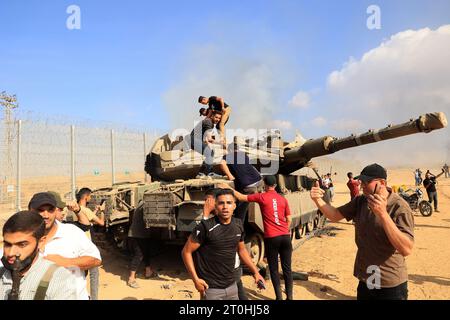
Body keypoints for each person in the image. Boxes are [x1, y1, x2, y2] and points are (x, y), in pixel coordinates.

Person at [310, 163, 414, 300]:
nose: (362, 185)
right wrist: (317, 200)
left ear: (382, 183)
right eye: (361, 181)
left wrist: (383, 214)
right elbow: (335, 215)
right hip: (367, 279)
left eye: (367, 182)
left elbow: (406, 248)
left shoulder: (399, 206)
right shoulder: (361, 201)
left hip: (390, 284)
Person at [181, 189, 265, 300]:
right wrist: (195, 279)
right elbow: (186, 252)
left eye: (229, 203)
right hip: (211, 289)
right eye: (221, 203)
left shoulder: (238, 225)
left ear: (234, 206)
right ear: (216, 206)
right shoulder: (205, 227)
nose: (225, 207)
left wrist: (255, 272)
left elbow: (242, 250)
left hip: (232, 287)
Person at [222, 175, 293, 300]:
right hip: (285, 237)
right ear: (275, 185)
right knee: (287, 269)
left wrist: (228, 188)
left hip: (272, 238)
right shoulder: (283, 199)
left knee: (274, 269)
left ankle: (279, 298)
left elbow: (241, 197)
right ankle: (290, 298)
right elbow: (289, 219)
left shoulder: (262, 197)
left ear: (264, 184)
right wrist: (284, 230)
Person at [28, 192, 102, 300]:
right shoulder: (21, 238)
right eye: (40, 210)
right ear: (29, 211)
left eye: (50, 210)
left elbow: (96, 260)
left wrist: (66, 262)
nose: (46, 215)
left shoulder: (71, 232)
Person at [1, 211, 78, 300]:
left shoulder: (59, 278)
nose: (11, 253)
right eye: (7, 244)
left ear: (41, 242)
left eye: (22, 245)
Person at [201, 189, 248, 300]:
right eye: (205, 201)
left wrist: (205, 214)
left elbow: (204, 241)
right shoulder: (212, 222)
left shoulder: (226, 221)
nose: (206, 203)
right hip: (221, 270)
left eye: (208, 200)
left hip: (230, 269)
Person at [127, 204, 157, 288]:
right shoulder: (146, 205)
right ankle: (131, 278)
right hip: (137, 234)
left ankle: (148, 272)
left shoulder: (140, 204)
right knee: (138, 255)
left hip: (142, 234)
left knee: (146, 253)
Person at [185, 111, 223, 176]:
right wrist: (221, 143)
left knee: (210, 152)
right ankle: (208, 173)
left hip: (192, 140)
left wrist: (209, 144)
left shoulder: (208, 122)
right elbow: (209, 138)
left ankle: (202, 173)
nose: (217, 119)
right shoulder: (209, 122)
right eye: (216, 117)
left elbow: (206, 139)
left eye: (219, 118)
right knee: (210, 152)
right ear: (212, 116)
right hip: (192, 139)